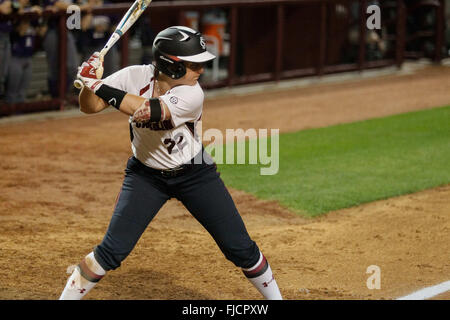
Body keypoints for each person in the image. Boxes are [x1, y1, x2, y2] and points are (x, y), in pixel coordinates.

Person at [59, 26, 283, 300]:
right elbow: (89, 106)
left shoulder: (193, 94)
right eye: (194, 64)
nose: (200, 71)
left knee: (238, 247)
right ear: (171, 65)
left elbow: (147, 111)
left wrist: (96, 83)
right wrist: (88, 82)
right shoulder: (134, 76)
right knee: (111, 250)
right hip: (145, 177)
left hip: (195, 174)